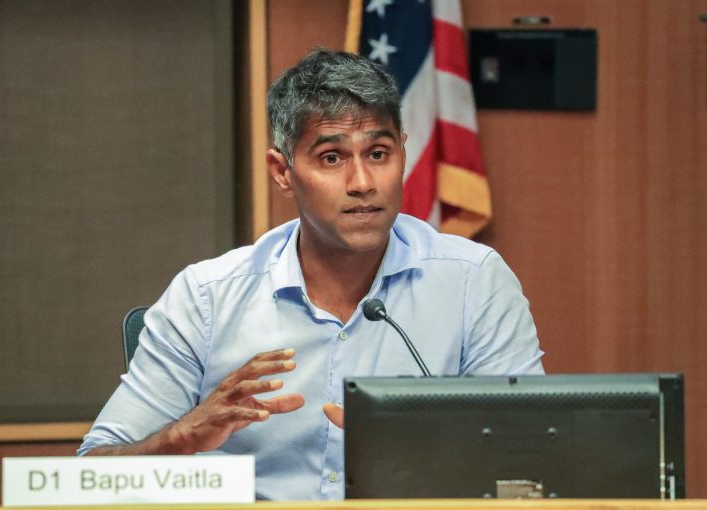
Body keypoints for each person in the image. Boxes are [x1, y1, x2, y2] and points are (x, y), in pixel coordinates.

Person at [78, 48, 544, 500]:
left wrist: (431, 451)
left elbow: (532, 465)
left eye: (378, 153)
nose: (363, 183)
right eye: (332, 158)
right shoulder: (207, 297)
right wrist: (181, 436)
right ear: (282, 171)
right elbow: (90, 476)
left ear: (403, 153)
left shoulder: (473, 282)